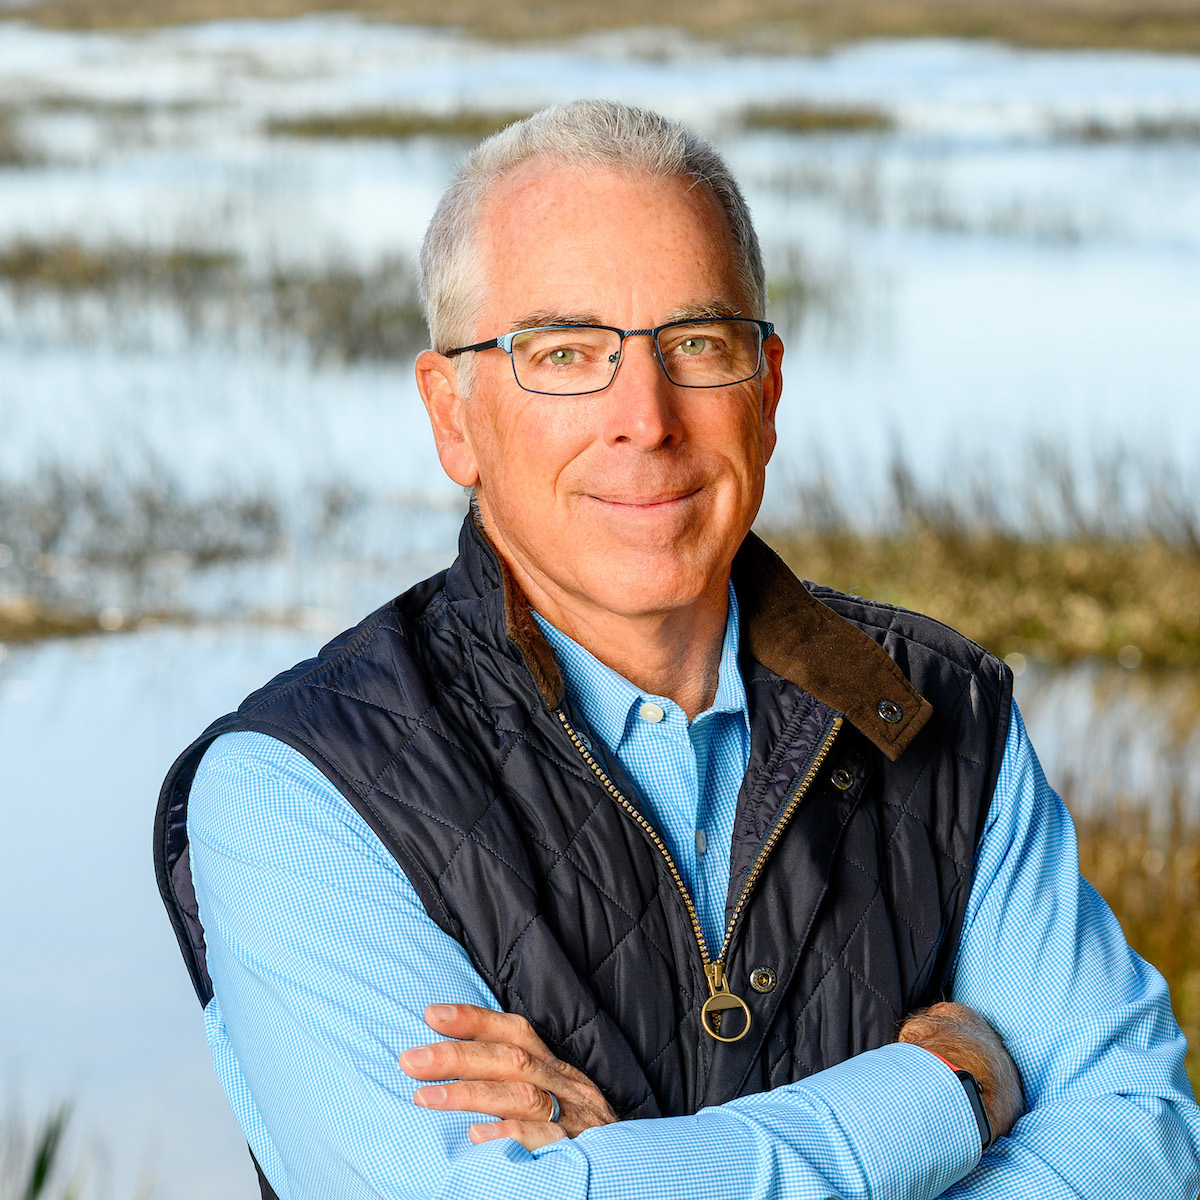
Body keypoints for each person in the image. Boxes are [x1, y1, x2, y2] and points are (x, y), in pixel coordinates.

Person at [155, 100, 1200, 1200]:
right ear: (452, 413)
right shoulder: (298, 790)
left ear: (768, 391)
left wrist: (632, 1167)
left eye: (697, 344)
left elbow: (1144, 1138)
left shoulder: (937, 710)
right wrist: (948, 1092)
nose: (646, 417)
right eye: (563, 353)